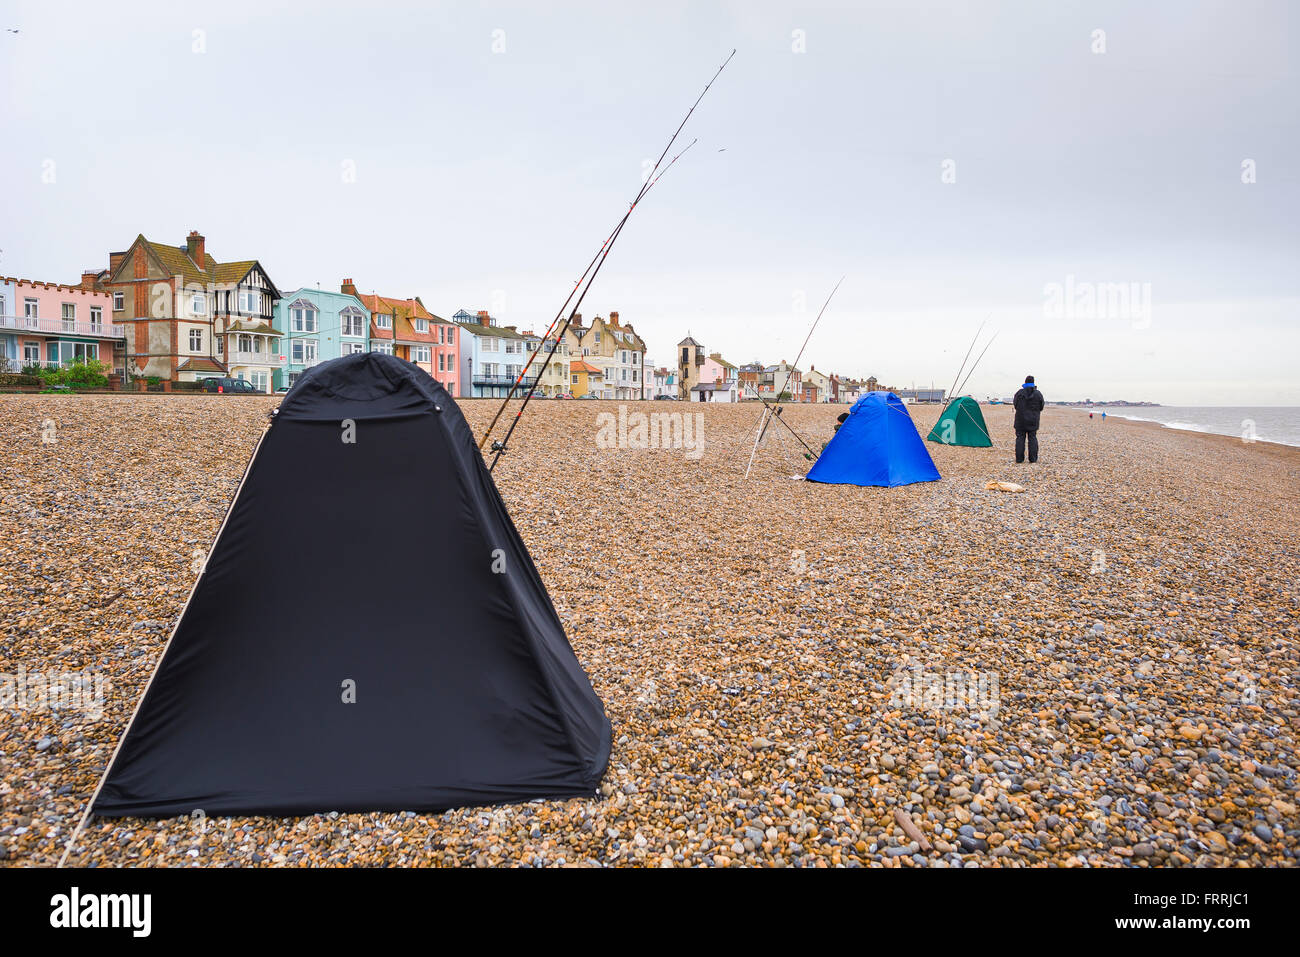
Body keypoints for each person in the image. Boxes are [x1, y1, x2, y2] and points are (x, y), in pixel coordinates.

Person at [1013, 375, 1044, 463]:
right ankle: (1033, 459)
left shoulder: (1019, 393)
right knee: (1032, 438)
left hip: (1020, 420)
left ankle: (1019, 459)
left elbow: (1015, 405)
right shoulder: (1038, 394)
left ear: (1025, 382)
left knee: (1020, 438)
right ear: (1033, 383)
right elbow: (1041, 406)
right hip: (1033, 420)